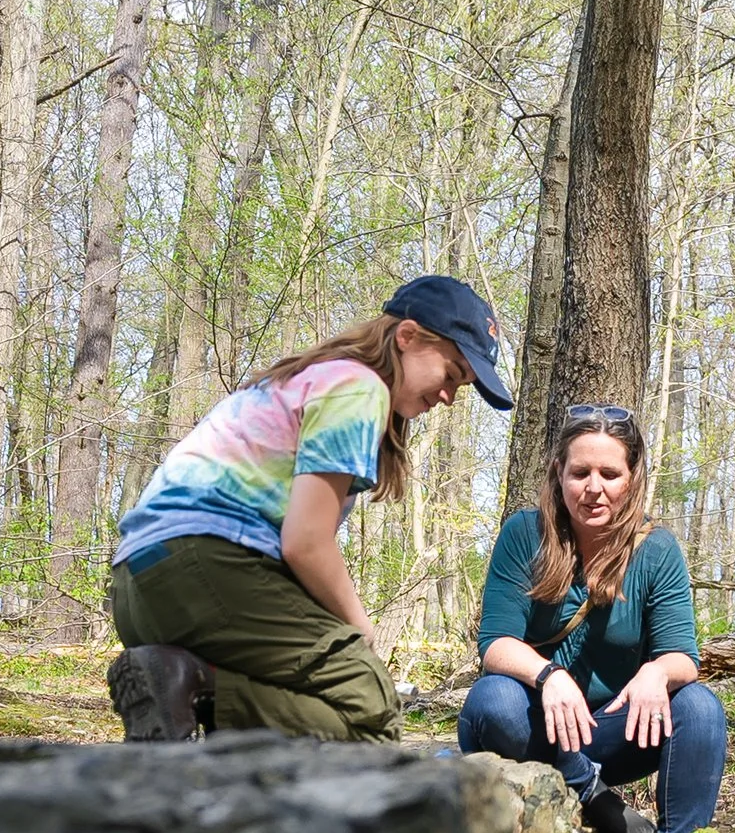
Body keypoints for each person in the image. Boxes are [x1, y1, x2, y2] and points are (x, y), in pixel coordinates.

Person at [105, 272, 512, 743]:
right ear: (407, 336)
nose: (448, 396)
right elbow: (305, 542)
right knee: (373, 713)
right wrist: (360, 629)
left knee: (312, 696)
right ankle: (191, 686)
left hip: (137, 585)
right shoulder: (359, 388)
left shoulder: (311, 379)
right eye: (452, 374)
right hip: (205, 569)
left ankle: (188, 689)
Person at [459, 404, 724, 833]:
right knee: (492, 701)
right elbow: (496, 645)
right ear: (558, 472)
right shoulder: (522, 535)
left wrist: (657, 670)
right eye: (581, 473)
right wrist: (549, 675)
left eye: (610, 474)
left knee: (699, 707)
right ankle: (596, 800)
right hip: (539, 729)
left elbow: (685, 658)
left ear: (633, 479)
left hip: (614, 732)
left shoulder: (657, 550)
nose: (594, 488)